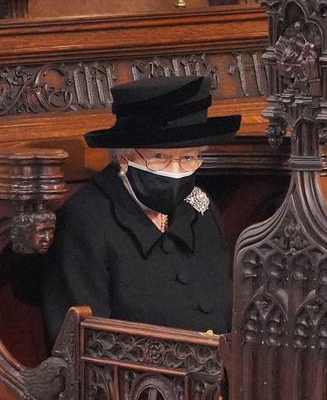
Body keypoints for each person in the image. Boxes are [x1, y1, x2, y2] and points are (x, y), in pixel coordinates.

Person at [42, 75, 241, 346]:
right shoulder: (88, 220)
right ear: (124, 157)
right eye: (160, 158)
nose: (176, 172)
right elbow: (81, 345)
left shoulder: (201, 209)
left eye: (187, 158)